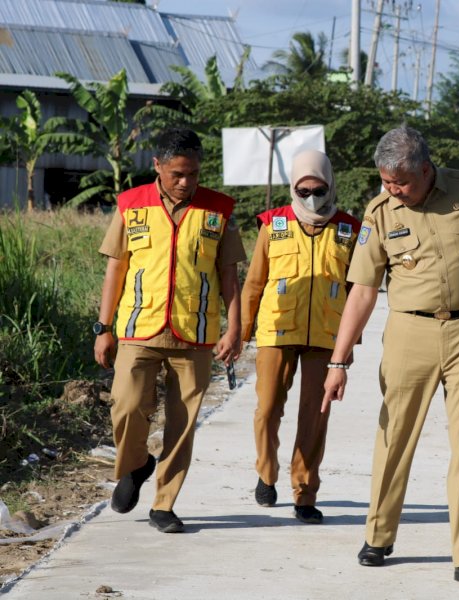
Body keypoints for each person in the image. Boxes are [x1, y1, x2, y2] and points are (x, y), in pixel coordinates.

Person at [321, 125, 459, 590]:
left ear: (425, 167)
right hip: (409, 331)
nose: (395, 191)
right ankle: (378, 536)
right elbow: (362, 291)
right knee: (395, 434)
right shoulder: (379, 212)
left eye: (402, 182)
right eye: (387, 183)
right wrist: (338, 363)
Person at [93, 128, 245, 533]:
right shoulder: (131, 206)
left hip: (194, 335)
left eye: (193, 174)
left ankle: (164, 504)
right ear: (157, 166)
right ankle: (137, 463)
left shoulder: (219, 210)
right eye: (177, 173)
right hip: (138, 328)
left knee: (182, 424)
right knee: (125, 406)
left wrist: (236, 329)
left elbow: (229, 275)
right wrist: (102, 327)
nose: (185, 182)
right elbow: (116, 268)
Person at [240, 150, 361, 525]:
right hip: (276, 330)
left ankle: (305, 493)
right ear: (293, 187)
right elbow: (255, 282)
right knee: (267, 410)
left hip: (327, 336)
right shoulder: (272, 224)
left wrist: (350, 343)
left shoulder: (349, 228)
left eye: (319, 188)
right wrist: (240, 332)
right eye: (304, 189)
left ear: (330, 184)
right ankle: (266, 472)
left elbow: (358, 289)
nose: (312, 196)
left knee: (315, 416)